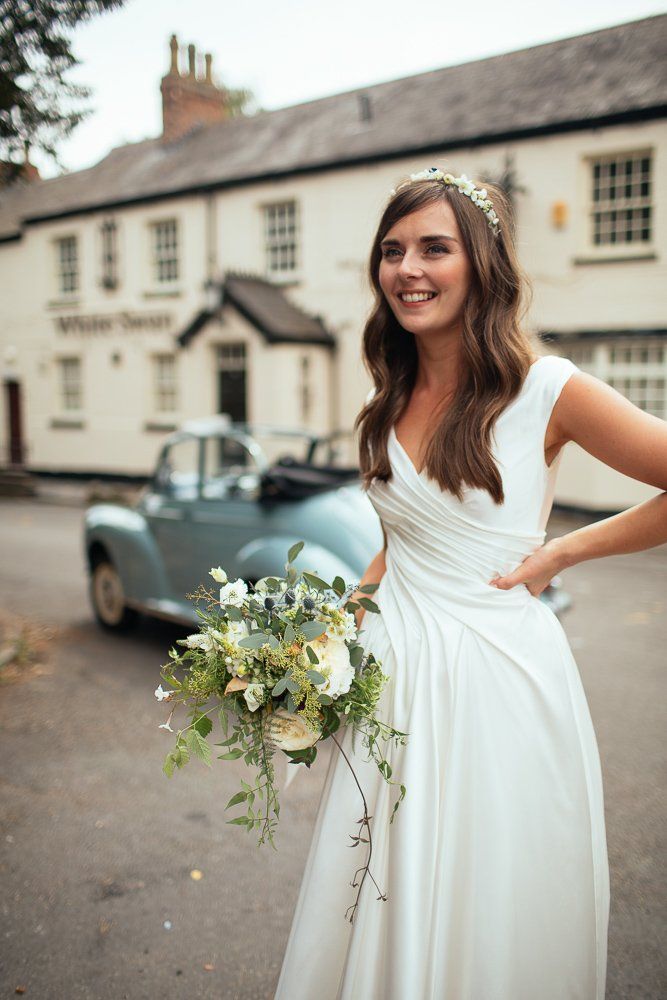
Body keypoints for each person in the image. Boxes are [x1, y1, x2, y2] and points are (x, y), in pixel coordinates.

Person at [274, 167, 667, 1000]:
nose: (407, 268)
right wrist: (319, 648)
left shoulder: (546, 388)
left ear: (480, 263)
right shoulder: (388, 398)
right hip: (394, 681)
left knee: (488, 890)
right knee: (384, 885)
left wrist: (562, 553)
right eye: (392, 251)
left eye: (433, 248)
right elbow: (395, 547)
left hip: (496, 679)